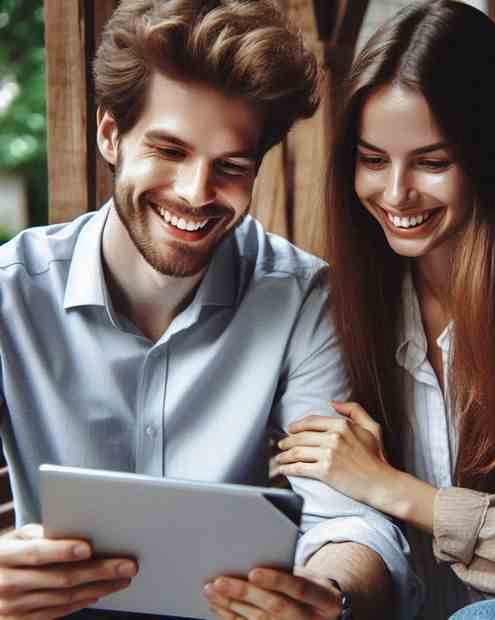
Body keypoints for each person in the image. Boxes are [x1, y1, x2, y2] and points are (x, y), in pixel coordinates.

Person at [0, 1, 418, 619]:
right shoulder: (10, 296)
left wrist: (328, 597)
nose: (196, 194)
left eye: (231, 167)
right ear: (110, 134)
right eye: (169, 150)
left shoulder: (300, 299)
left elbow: (350, 521)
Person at [273, 1, 495, 619]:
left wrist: (387, 484)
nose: (396, 193)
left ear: (492, 157)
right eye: (373, 159)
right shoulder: (346, 290)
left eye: (432, 163)